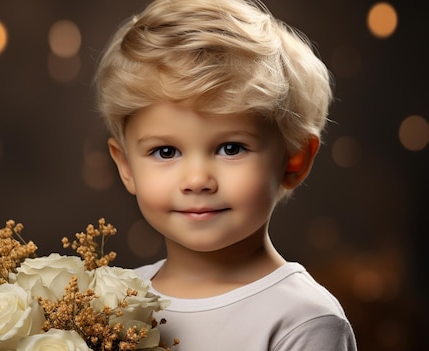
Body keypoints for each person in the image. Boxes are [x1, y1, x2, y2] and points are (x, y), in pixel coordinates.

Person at [93, 0, 357, 349]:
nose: (198, 180)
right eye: (166, 152)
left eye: (231, 148)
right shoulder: (107, 303)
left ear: (294, 160)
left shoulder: (303, 321)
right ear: (126, 166)